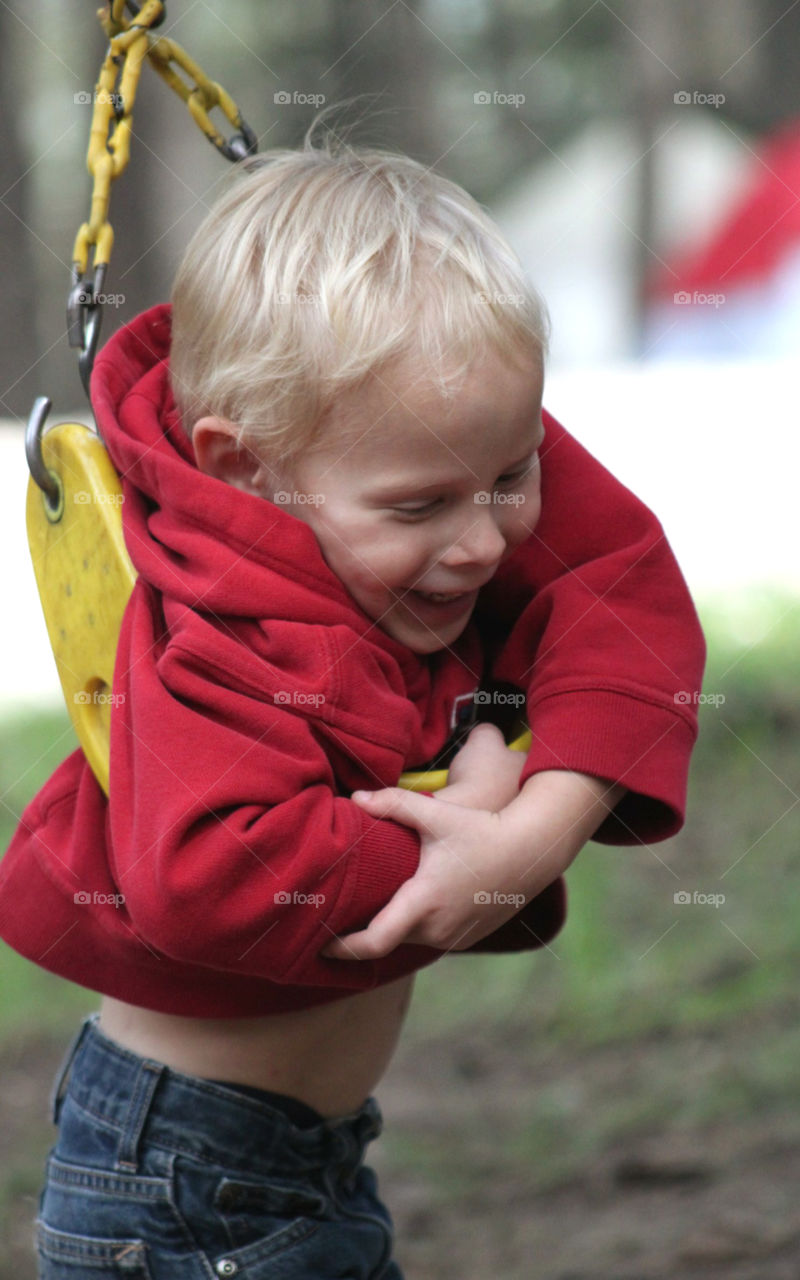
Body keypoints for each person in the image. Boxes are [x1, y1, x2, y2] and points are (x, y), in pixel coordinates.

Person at [0, 134, 705, 1279]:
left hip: (283, 1159)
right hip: (181, 1181)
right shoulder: (217, 627)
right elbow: (211, 873)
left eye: (515, 476)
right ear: (244, 466)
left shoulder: (418, 430)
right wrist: (466, 816)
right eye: (424, 504)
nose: (481, 538)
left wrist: (530, 827)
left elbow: (615, 589)